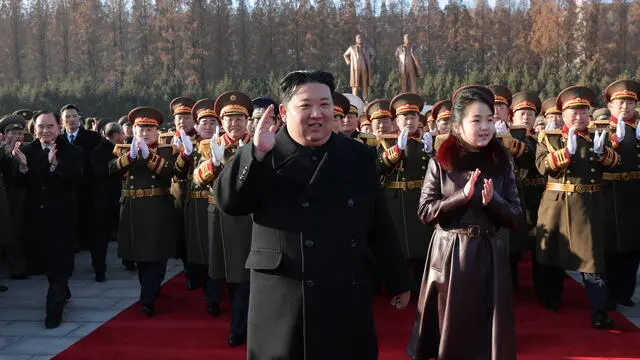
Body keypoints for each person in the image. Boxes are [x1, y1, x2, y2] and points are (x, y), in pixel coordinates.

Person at [215, 70, 411, 359]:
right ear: (284, 111)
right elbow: (230, 203)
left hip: (344, 289)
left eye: (325, 105)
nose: (317, 114)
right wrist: (255, 153)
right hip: (285, 294)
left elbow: (378, 222)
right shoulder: (265, 151)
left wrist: (398, 278)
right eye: (305, 106)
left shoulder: (358, 156)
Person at [406, 85, 522, 360]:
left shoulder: (501, 161)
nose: (484, 127)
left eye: (489, 120)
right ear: (458, 125)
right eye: (476, 120)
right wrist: (461, 197)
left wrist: (493, 201)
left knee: (487, 331)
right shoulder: (442, 161)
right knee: (451, 328)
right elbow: (425, 212)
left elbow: (516, 216)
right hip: (450, 255)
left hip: (489, 252)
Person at [535, 86, 619, 328]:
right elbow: (542, 166)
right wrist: (565, 153)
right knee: (552, 255)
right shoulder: (549, 138)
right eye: (573, 112)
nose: (579, 117)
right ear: (562, 113)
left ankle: (600, 311)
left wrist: (604, 152)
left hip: (587, 205)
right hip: (557, 206)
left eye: (583, 112)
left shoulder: (596, 137)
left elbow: (615, 163)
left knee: (592, 260)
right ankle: (551, 299)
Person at [193, 91, 254, 347]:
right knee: (227, 274)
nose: (234, 123)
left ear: (247, 120)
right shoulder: (210, 145)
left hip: (251, 220)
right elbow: (197, 179)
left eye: (239, 118)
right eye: (228, 118)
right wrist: (215, 163)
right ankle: (232, 317)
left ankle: (240, 327)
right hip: (222, 217)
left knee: (246, 277)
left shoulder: (258, 144)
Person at [13, 111, 83, 329]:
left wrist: (55, 166)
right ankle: (62, 288)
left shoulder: (72, 151)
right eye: (41, 127)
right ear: (34, 130)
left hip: (62, 217)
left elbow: (76, 179)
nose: (45, 131)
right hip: (35, 218)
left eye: (50, 126)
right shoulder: (26, 150)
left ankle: (54, 311)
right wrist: (23, 168)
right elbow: (17, 184)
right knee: (47, 264)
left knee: (59, 265)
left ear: (59, 127)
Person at [109, 107, 179, 316]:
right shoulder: (124, 150)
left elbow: (170, 173)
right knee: (140, 256)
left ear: (157, 131)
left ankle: (148, 296)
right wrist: (130, 157)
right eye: (140, 128)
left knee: (156, 255)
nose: (145, 133)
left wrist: (149, 158)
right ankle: (149, 290)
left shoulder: (166, 150)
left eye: (149, 129)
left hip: (157, 206)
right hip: (133, 207)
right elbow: (111, 169)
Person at [177, 98, 223, 317]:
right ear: (196, 125)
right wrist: (184, 155)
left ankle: (215, 293)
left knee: (218, 249)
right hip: (196, 203)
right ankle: (206, 289)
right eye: (204, 122)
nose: (208, 126)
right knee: (201, 250)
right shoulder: (191, 146)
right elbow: (178, 173)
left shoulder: (226, 145)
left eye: (212, 122)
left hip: (219, 203)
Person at [502, 91, 546, 293]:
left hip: (537, 196)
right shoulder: (508, 135)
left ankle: (541, 287)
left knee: (538, 245)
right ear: (513, 116)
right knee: (512, 246)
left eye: (530, 113)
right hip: (516, 195)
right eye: (522, 113)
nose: (526, 117)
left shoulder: (541, 138)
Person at [602, 79, 640, 308]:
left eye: (629, 102)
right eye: (619, 102)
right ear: (610, 106)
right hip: (609, 193)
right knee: (609, 246)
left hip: (634, 193)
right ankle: (608, 292)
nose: (624, 106)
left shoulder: (638, 130)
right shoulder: (601, 129)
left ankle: (625, 292)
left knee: (633, 245)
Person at [61, 104, 101, 279]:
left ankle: (99, 268)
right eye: (67, 116)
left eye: (73, 116)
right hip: (65, 193)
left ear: (80, 118)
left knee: (94, 233)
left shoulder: (92, 138)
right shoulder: (59, 139)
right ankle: (65, 271)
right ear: (62, 120)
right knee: (67, 234)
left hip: (88, 192)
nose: (71, 119)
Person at [91, 122, 126, 282]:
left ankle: (126, 261)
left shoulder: (122, 150)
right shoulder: (100, 152)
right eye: (121, 134)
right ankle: (100, 268)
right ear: (115, 135)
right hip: (106, 198)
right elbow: (100, 172)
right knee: (101, 237)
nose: (123, 137)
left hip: (112, 198)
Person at [0, 115, 28, 280]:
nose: (17, 136)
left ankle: (18, 268)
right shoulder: (3, 151)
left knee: (17, 231)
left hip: (20, 196)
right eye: (12, 132)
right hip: (5, 196)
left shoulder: (28, 149)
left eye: (19, 132)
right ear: (4, 134)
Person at [343, 33, 375, 101]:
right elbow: (345, 55)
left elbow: (373, 54)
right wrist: (348, 62)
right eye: (358, 38)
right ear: (356, 40)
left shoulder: (367, 48)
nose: (360, 39)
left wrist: (371, 61)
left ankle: (365, 99)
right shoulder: (351, 48)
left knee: (365, 84)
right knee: (355, 84)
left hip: (364, 67)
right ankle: (354, 100)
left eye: (361, 38)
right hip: (355, 68)